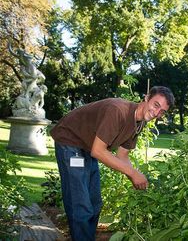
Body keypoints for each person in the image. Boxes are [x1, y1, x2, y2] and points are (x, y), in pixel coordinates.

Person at [50, 86, 174, 241]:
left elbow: (122, 156)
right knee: (80, 206)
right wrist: (133, 173)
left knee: (95, 205)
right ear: (147, 98)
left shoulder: (139, 123)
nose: (157, 113)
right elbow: (99, 151)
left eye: (162, 111)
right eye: (156, 105)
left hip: (87, 147)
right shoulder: (118, 111)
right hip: (69, 141)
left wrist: (137, 180)